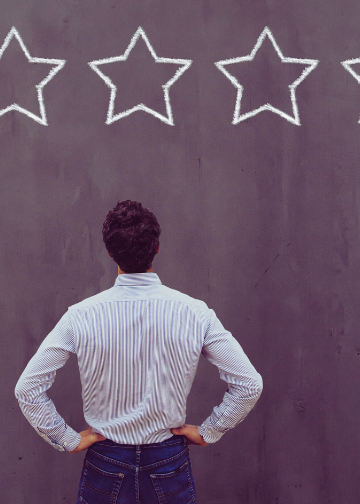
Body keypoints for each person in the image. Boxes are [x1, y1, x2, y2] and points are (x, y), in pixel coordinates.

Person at [14, 200, 263, 504]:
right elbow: (249, 384)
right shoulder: (195, 313)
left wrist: (67, 439)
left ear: (109, 251)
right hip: (167, 462)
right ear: (157, 247)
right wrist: (210, 430)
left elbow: (27, 389)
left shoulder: (80, 316)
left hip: (105, 463)